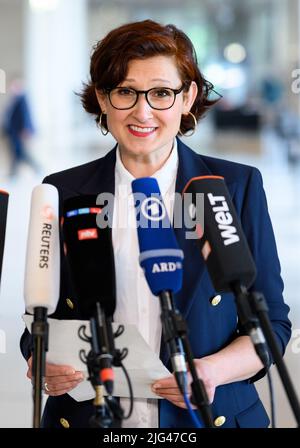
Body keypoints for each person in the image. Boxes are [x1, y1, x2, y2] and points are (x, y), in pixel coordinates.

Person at [20, 20, 291, 428]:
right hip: (91, 416)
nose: (142, 111)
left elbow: (272, 323)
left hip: (208, 416)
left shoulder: (234, 187)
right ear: (103, 98)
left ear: (188, 98)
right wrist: (39, 360)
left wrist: (214, 370)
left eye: (162, 93)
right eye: (126, 91)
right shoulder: (63, 191)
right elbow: (40, 320)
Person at [1, 78, 40, 177]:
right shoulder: (15, 99)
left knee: (19, 153)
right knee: (17, 152)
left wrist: (25, 129)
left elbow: (25, 115)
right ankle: (14, 173)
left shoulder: (23, 98)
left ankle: (36, 168)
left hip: (19, 131)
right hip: (13, 132)